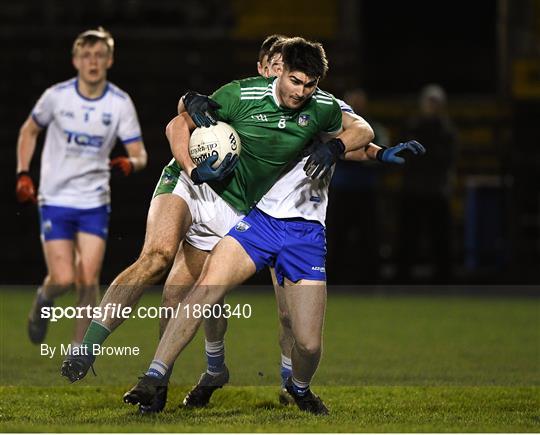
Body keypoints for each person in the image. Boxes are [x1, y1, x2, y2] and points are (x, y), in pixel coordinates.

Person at [121, 40, 424, 414]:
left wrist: (365, 152)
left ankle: (296, 385)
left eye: (308, 84)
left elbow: (358, 131)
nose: (300, 91)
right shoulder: (248, 99)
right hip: (259, 220)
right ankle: (155, 375)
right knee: (204, 290)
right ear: (274, 70)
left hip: (305, 233)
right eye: (291, 78)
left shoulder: (323, 107)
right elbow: (192, 113)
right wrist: (187, 100)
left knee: (304, 337)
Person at [61, 37, 366, 390]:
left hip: (232, 203)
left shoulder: (314, 106)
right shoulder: (243, 94)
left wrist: (370, 150)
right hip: (188, 180)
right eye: (276, 68)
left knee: (186, 294)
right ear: (265, 68)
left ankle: (186, 374)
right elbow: (181, 119)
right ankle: (87, 347)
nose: (285, 78)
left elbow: (353, 136)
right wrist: (191, 165)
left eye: (292, 74)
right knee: (156, 256)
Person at [16, 27, 147, 347]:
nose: (93, 61)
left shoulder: (119, 103)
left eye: (100, 55)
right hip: (56, 198)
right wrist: (23, 173)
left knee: (88, 280)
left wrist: (131, 163)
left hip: (94, 201)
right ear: (75, 60)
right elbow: (29, 131)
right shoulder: (56, 97)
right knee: (63, 279)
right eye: (86, 55)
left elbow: (139, 153)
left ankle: (78, 355)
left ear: (110, 60)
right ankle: (44, 299)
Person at [395, 84, 457, 283]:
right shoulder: (412, 126)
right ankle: (403, 277)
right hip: (413, 189)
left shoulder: (447, 130)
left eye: (436, 103)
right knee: (408, 236)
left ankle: (443, 278)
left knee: (440, 237)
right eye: (429, 102)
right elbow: (403, 154)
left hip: (436, 190)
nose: (432, 106)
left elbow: (448, 159)